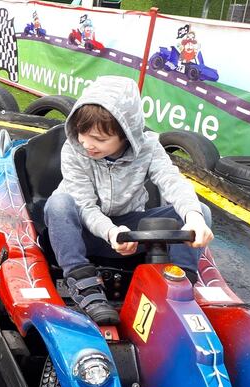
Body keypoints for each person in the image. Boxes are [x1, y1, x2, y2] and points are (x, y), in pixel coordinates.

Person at [44, 76, 214, 325]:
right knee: (58, 203)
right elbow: (85, 206)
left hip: (130, 232)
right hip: (85, 232)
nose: (87, 143)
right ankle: (84, 286)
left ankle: (180, 287)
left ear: (127, 135)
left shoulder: (149, 148)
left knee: (200, 210)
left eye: (99, 140)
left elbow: (172, 182)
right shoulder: (74, 150)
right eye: (82, 133)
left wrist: (194, 218)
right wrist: (112, 232)